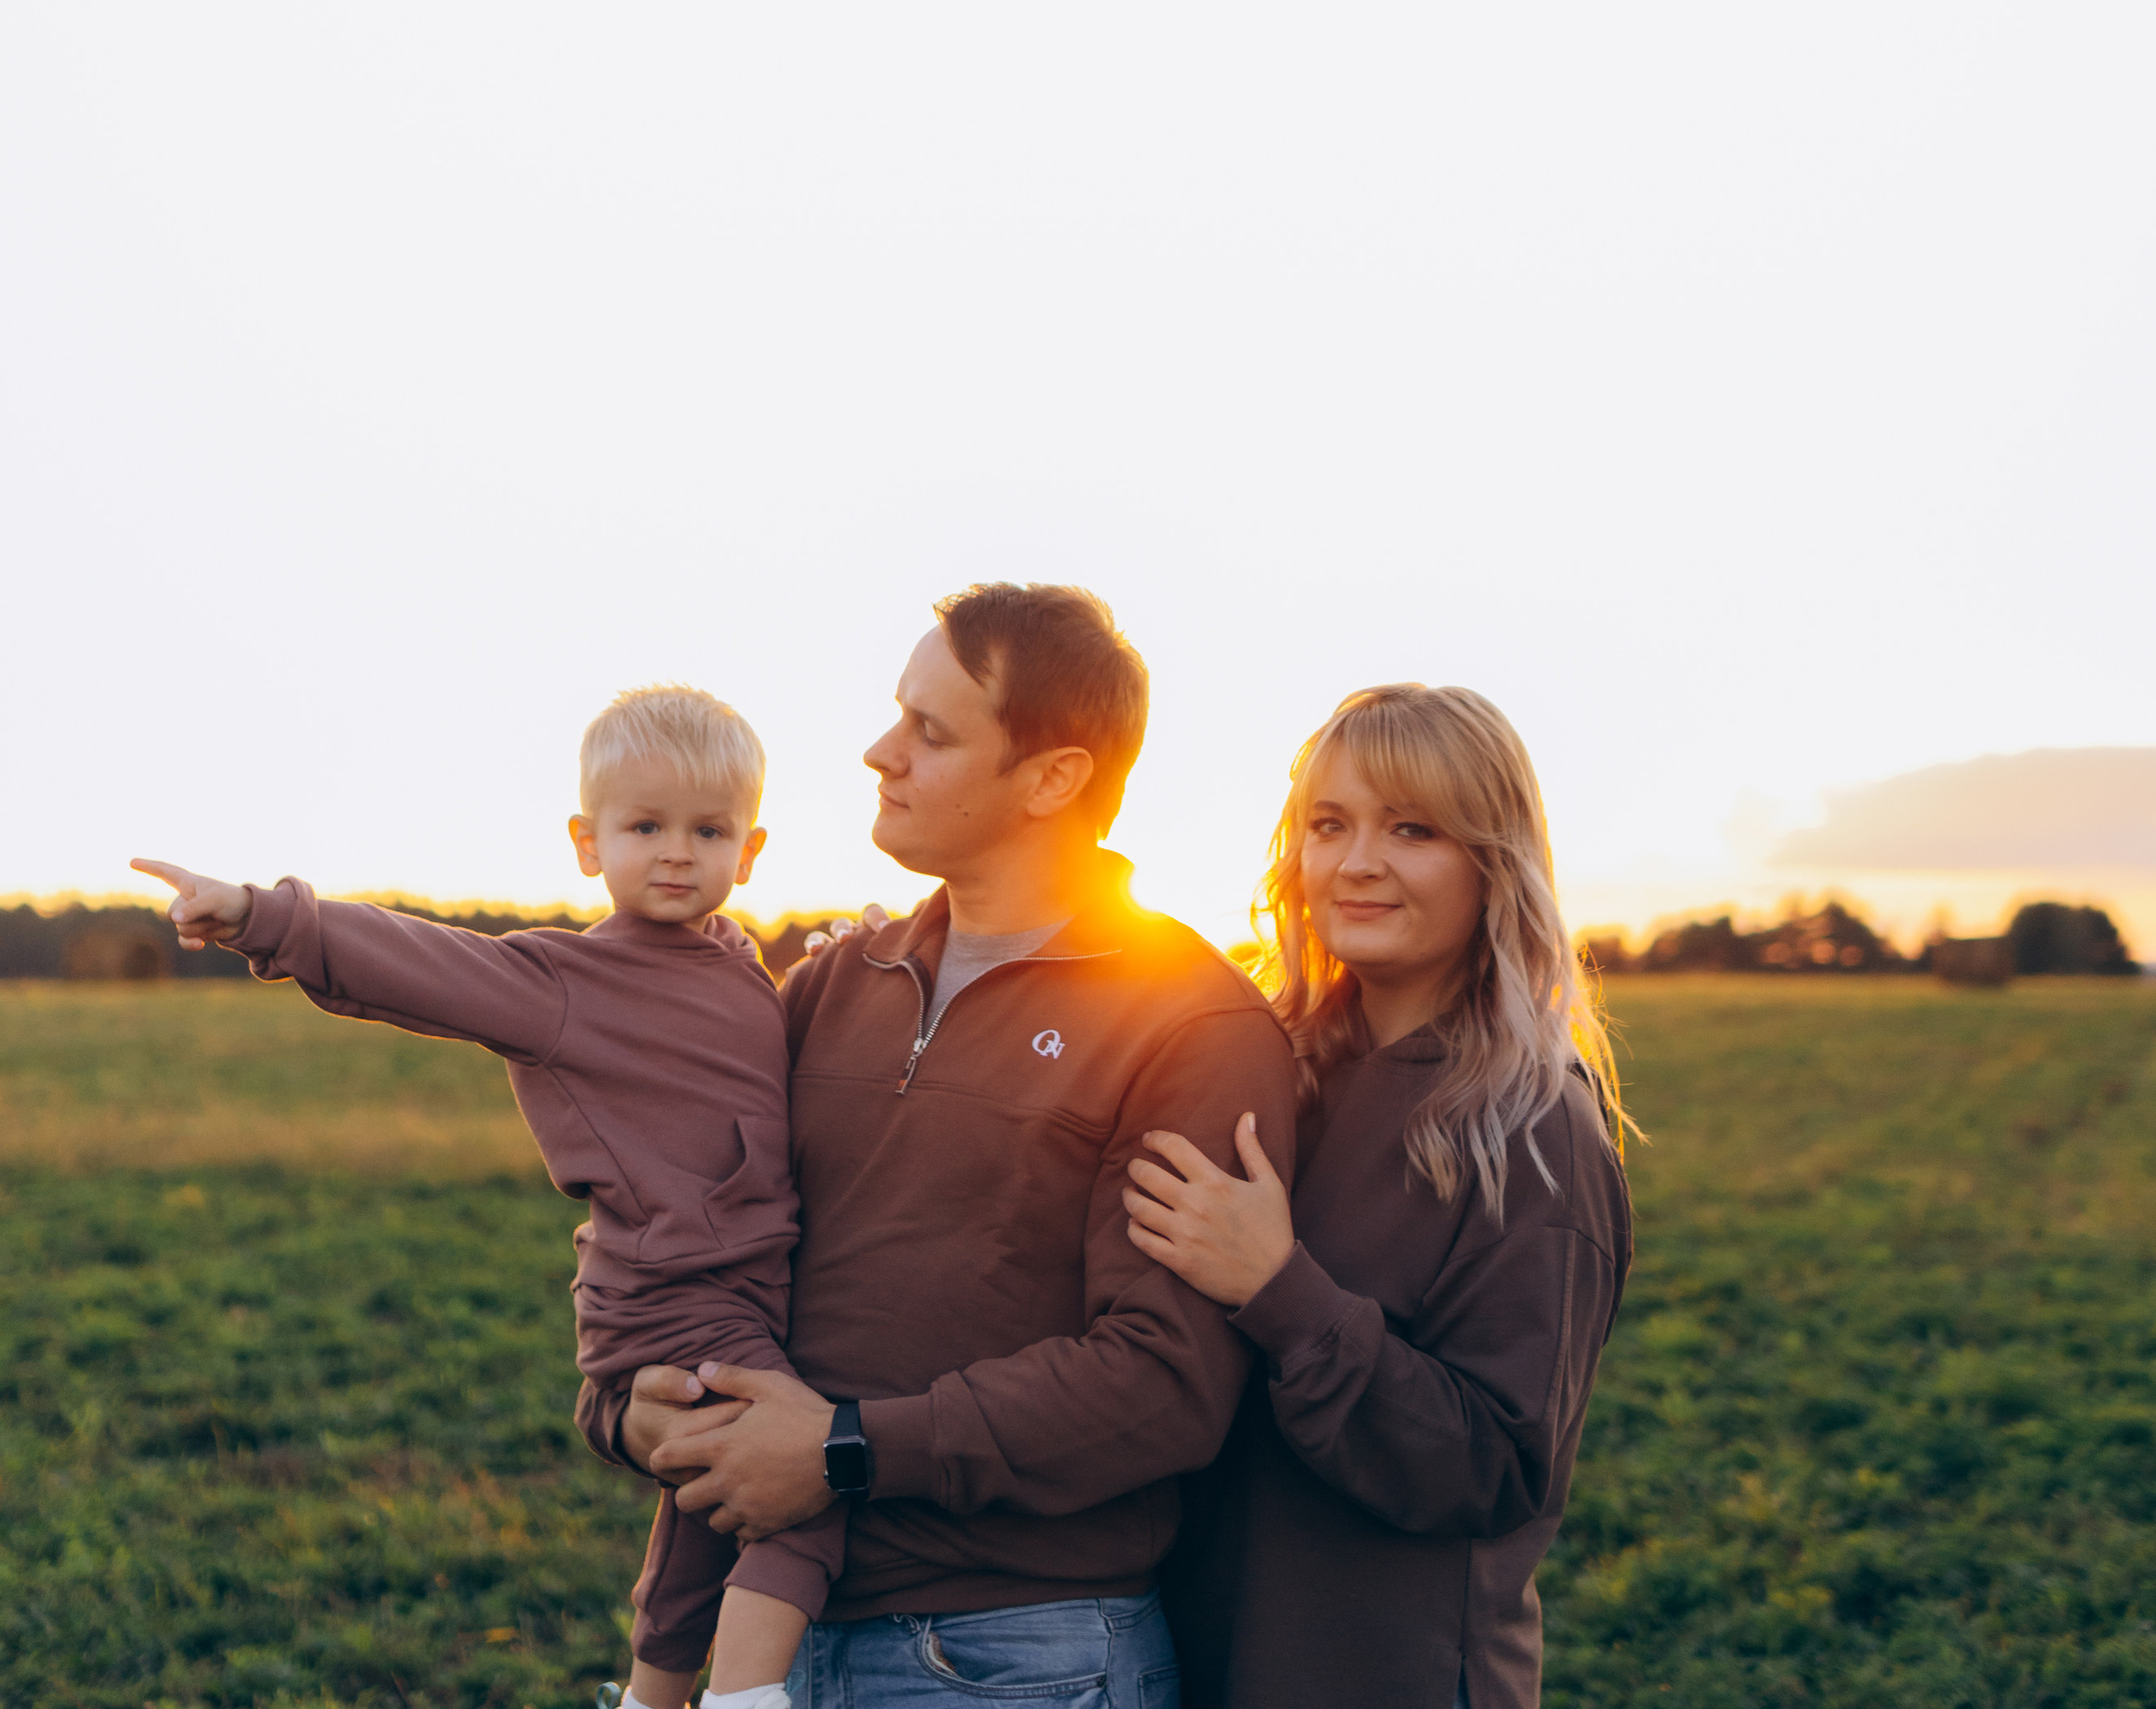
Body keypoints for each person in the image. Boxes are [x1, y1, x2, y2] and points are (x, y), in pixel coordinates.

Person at [585, 583, 1299, 1709]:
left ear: (1053, 777)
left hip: (1015, 1658)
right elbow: (694, 1233)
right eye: (895, 716)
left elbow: (1162, 1385)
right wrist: (632, 1404)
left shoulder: (1191, 1026)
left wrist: (845, 1449)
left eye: (931, 732)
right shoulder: (830, 984)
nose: (880, 754)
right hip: (770, 1644)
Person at [133, 685, 836, 1709]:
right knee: (803, 1490)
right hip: (676, 1294)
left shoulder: (737, 966)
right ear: (587, 842)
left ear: (752, 848)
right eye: (644, 826)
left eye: (708, 829)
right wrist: (259, 914)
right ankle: (745, 1697)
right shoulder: (566, 980)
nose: (677, 851)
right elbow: (423, 965)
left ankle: (651, 1696)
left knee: (705, 1505)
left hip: (730, 1292)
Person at [1125, 683, 1635, 1709]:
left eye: (1411, 828)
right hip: (1186, 1657)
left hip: (1381, 1675)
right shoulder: (1266, 1072)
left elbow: (1491, 1464)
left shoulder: (1530, 1130)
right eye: (1328, 825)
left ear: (1493, 862)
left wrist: (1278, 1288)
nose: (1355, 861)